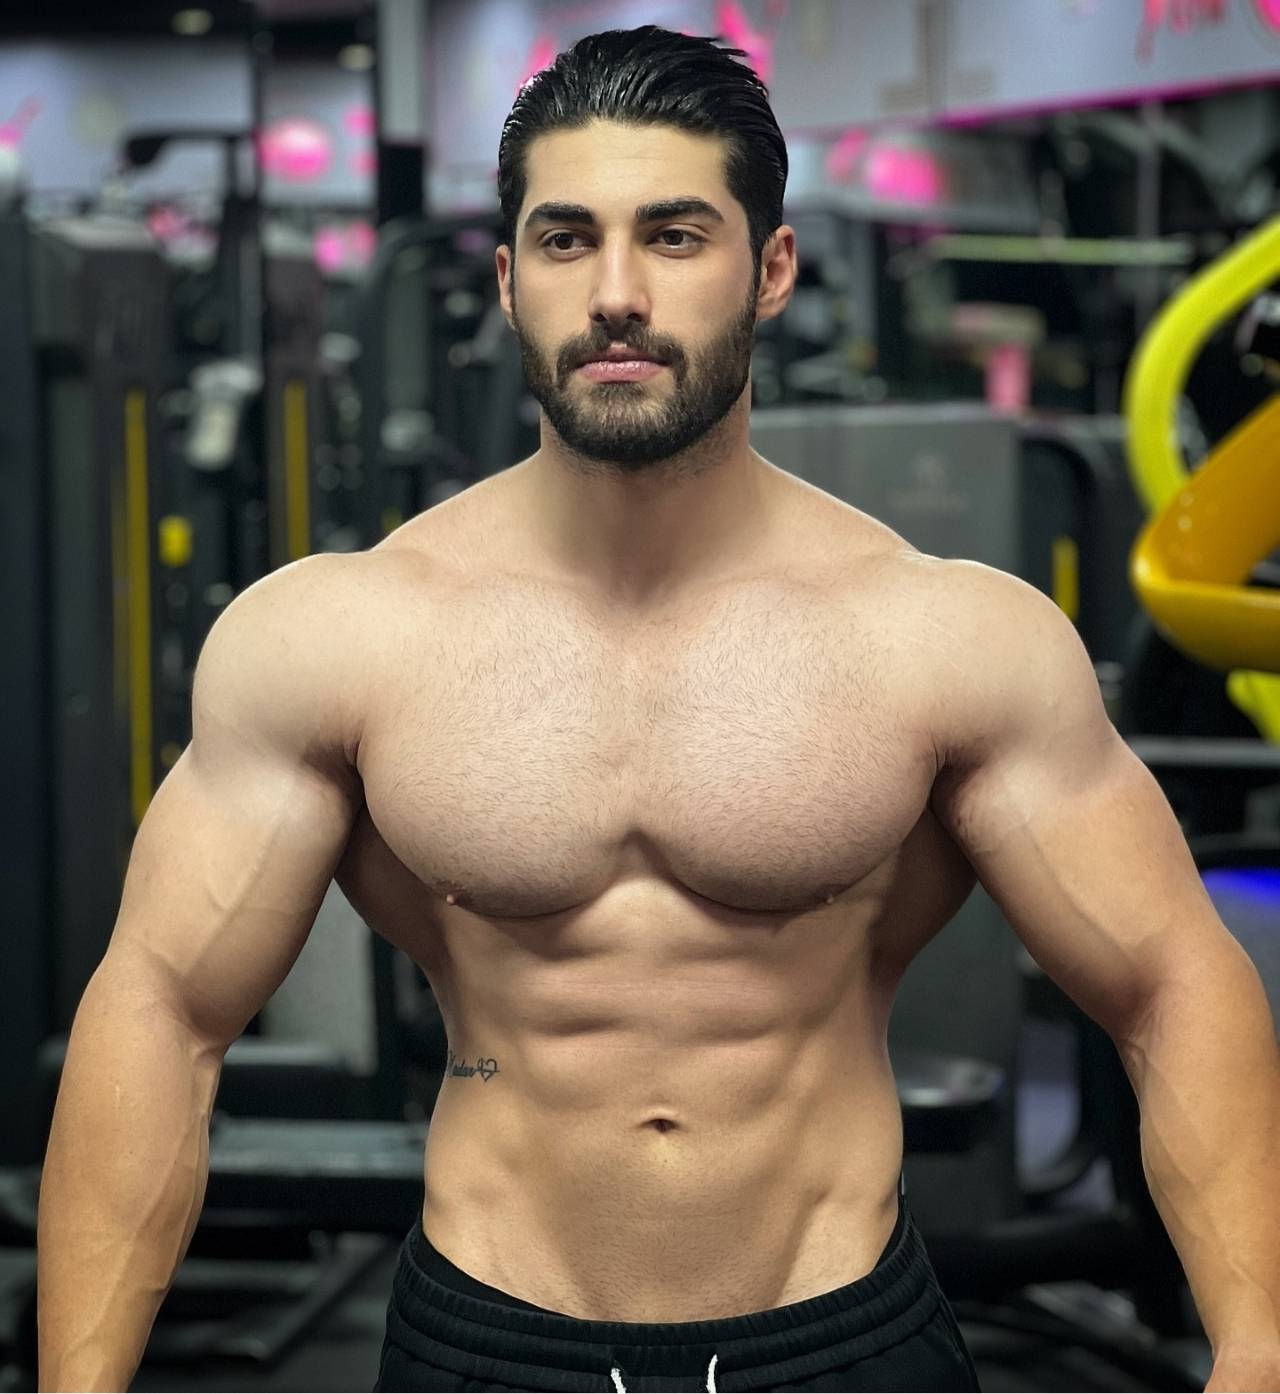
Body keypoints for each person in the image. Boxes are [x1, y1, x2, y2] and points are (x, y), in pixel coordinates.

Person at [37, 25, 1279, 1394]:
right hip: (490, 1345)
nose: (616, 293)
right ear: (509, 279)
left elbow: (1171, 980)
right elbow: (161, 1008)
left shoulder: (942, 635)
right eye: (567, 240)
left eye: (676, 236)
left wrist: (1259, 1346)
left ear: (773, 269)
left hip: (841, 1342)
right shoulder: (343, 634)